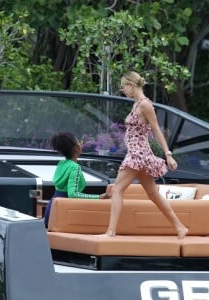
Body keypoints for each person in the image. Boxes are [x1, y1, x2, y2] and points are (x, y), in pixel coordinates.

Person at [101, 71, 188, 239]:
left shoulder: (145, 105)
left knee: (118, 189)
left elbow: (156, 130)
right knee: (153, 194)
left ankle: (111, 232)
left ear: (131, 86)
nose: (123, 90)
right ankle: (180, 227)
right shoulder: (137, 104)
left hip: (138, 154)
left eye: (124, 87)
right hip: (138, 153)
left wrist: (168, 154)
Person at [44, 132, 109, 227]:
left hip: (52, 208)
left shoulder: (61, 164)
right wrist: (98, 197)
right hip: (64, 211)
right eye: (80, 142)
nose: (81, 143)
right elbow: (72, 194)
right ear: (76, 148)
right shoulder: (75, 168)